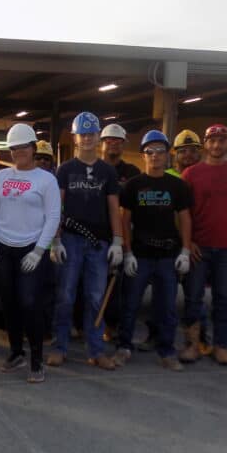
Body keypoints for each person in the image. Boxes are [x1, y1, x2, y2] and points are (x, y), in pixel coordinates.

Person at [0, 123, 61, 383]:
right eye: (13, 149)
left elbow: (53, 217)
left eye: (23, 148)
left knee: (29, 302)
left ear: (33, 148)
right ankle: (16, 352)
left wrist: (39, 250)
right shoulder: (0, 177)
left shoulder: (46, 179)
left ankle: (36, 358)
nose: (18, 153)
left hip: (30, 248)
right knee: (8, 301)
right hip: (2, 247)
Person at [47, 112, 123, 370]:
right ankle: (60, 346)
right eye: (83, 134)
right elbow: (58, 206)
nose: (88, 138)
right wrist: (55, 241)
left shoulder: (108, 172)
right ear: (75, 137)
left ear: (98, 136)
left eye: (92, 133)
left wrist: (117, 241)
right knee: (65, 295)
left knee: (94, 296)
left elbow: (114, 209)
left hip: (99, 244)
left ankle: (96, 349)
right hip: (70, 240)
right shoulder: (65, 170)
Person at [113, 130, 192, 371]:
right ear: (143, 155)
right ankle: (124, 347)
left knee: (166, 307)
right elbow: (125, 220)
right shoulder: (133, 186)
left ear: (167, 155)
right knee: (130, 304)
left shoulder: (177, 186)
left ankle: (166, 351)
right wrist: (127, 253)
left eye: (160, 151)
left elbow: (185, 219)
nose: (155, 156)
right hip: (140, 255)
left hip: (167, 257)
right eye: (150, 152)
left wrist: (185, 251)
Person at [178, 123, 227, 365]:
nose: (217, 145)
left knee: (223, 297)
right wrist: (189, 243)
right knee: (193, 297)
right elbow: (182, 213)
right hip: (200, 247)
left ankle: (221, 345)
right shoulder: (191, 174)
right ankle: (192, 344)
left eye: (222, 141)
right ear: (205, 145)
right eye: (212, 141)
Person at [98, 122, 141, 340]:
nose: (113, 144)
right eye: (109, 140)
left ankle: (112, 326)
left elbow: (134, 205)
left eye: (117, 141)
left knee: (118, 286)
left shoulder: (132, 172)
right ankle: (86, 324)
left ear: (123, 144)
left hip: (122, 234)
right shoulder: (93, 168)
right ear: (102, 144)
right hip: (96, 233)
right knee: (92, 282)